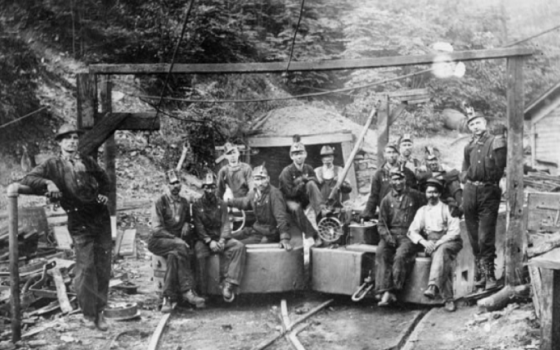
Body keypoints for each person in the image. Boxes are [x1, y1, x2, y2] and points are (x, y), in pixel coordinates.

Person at [20, 123, 112, 330]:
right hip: (79, 221)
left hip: (100, 218)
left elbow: (105, 180)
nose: (72, 141)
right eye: (67, 138)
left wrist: (104, 194)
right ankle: (88, 313)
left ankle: (99, 312)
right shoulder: (52, 164)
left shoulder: (87, 161)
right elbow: (28, 178)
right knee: (86, 267)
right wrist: (48, 184)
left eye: (75, 138)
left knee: (103, 266)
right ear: (60, 143)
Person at [461, 108, 507, 290]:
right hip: (470, 192)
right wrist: (465, 179)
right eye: (471, 124)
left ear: (485, 123)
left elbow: (505, 164)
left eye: (477, 122)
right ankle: (480, 274)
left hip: (489, 192)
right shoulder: (469, 147)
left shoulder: (496, 142)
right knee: (473, 237)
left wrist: (502, 180)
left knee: (485, 237)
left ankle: (489, 276)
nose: (475, 127)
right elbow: (464, 167)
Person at [148, 170, 205, 312]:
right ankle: (187, 291)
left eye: (178, 182)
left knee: (174, 255)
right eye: (172, 184)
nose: (175, 186)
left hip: (175, 245)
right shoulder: (159, 202)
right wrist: (175, 239)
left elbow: (187, 220)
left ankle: (168, 298)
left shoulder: (184, 202)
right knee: (180, 246)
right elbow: (157, 229)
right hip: (159, 241)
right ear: (166, 185)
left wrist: (187, 223)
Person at [407, 178, 463, 312]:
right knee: (443, 259)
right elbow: (411, 231)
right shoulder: (422, 211)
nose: (431, 195)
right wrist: (424, 242)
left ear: (439, 194)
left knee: (442, 251)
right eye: (429, 192)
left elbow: (454, 232)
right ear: (425, 194)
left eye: (434, 192)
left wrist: (437, 243)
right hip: (431, 243)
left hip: (450, 242)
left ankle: (433, 286)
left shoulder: (448, 208)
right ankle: (448, 299)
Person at [375, 167, 425, 306]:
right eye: (394, 179)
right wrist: (387, 237)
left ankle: (393, 291)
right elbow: (381, 224)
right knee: (382, 252)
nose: (398, 182)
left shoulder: (416, 196)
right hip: (391, 234)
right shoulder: (386, 200)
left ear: (405, 180)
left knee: (400, 256)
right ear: (390, 181)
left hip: (409, 235)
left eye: (400, 179)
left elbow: (428, 209)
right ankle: (384, 290)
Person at [193, 173, 247, 302]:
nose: (210, 190)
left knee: (239, 247)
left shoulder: (221, 204)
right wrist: (209, 241)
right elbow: (198, 227)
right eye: (207, 187)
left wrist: (222, 240)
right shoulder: (197, 205)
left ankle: (229, 284)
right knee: (199, 254)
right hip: (205, 241)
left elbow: (226, 224)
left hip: (220, 239)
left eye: (212, 187)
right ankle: (203, 292)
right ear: (203, 188)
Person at [227, 164, 292, 250]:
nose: (260, 183)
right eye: (257, 179)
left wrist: (284, 238)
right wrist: (227, 202)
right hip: (256, 230)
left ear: (268, 179)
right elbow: (245, 202)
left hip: (269, 234)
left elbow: (281, 217)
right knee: (226, 237)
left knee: (234, 245)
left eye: (263, 178)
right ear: (253, 180)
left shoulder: (274, 194)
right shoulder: (254, 193)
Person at [278, 135, 323, 245]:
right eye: (295, 154)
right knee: (296, 208)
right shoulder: (286, 171)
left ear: (305, 154)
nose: (298, 156)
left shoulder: (308, 168)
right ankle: (313, 235)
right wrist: (302, 181)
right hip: (290, 201)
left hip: (304, 199)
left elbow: (316, 183)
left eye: (301, 153)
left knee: (311, 184)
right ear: (291, 156)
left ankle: (322, 213)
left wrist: (305, 181)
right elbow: (290, 193)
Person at [361, 143, 417, 220]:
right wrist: (366, 215)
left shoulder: (407, 173)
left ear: (398, 154)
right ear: (384, 154)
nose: (391, 155)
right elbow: (374, 196)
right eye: (389, 152)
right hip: (386, 213)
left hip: (404, 213)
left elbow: (414, 194)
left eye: (394, 152)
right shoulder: (379, 174)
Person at [420, 146, 463, 218]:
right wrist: (433, 175)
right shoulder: (423, 168)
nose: (433, 162)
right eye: (430, 160)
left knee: (454, 182)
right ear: (426, 161)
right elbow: (419, 177)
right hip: (428, 192)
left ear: (438, 160)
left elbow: (456, 172)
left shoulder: (443, 167)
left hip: (443, 191)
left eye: (435, 159)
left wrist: (443, 177)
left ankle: (461, 205)